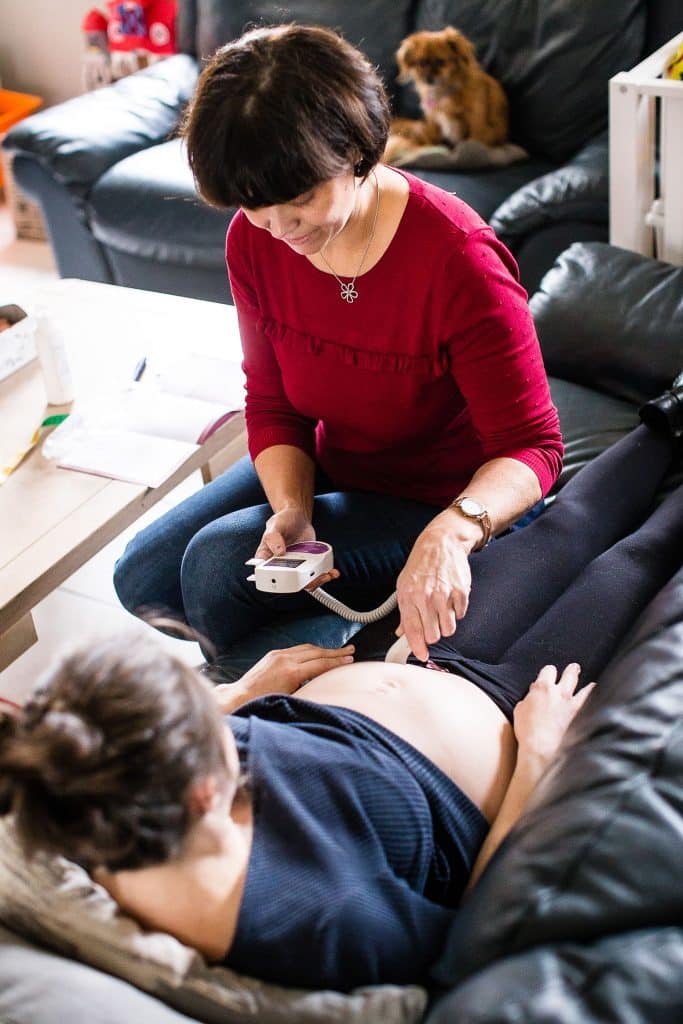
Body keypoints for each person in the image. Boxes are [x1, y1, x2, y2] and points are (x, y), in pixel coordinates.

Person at [2, 413, 682, 992]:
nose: (228, 723)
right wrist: (536, 760)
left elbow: (184, 734)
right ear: (205, 794)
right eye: (222, 734)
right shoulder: (318, 920)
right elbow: (476, 929)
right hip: (516, 709)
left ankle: (666, 408)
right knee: (632, 563)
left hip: (422, 653)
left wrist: (244, 690)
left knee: (565, 527)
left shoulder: (98, 799)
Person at [112, 23, 563, 669]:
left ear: (357, 151)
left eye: (298, 200)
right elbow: (272, 400)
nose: (277, 228)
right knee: (144, 577)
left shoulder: (457, 262)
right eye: (254, 207)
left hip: (450, 497)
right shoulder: (255, 238)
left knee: (216, 567)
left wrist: (452, 530)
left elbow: (534, 447)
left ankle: (255, 712)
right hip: (342, 461)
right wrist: (293, 509)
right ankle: (276, 656)